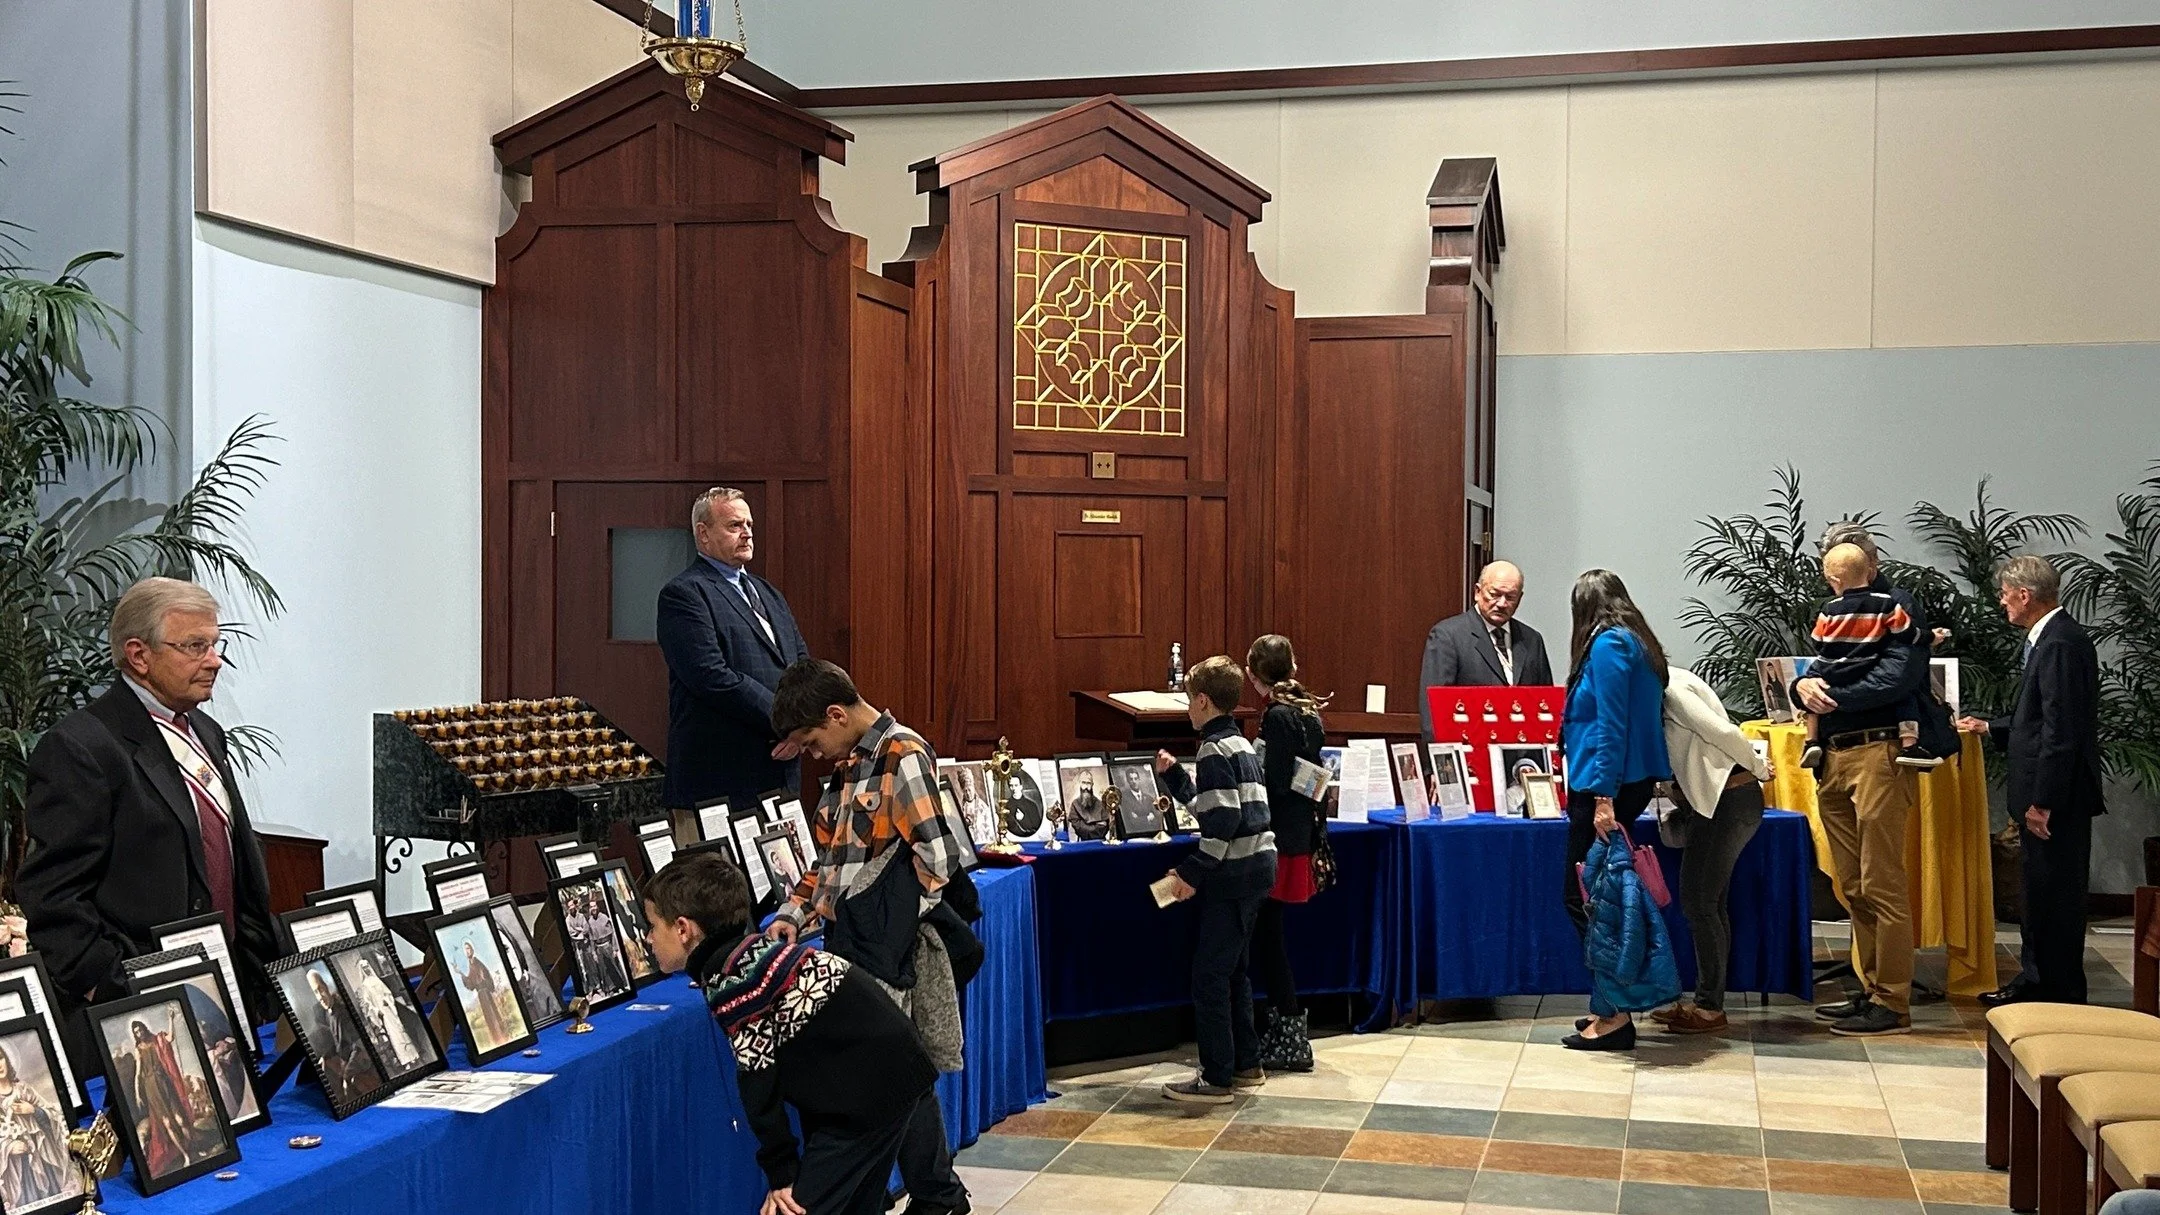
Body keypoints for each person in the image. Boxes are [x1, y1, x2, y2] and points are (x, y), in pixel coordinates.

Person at [18, 577, 280, 1069]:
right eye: (195, 646)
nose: (215, 660)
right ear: (139, 655)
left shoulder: (205, 731)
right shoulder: (82, 747)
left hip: (226, 1001)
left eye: (214, 644)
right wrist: (116, 988)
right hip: (140, 1017)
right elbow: (53, 899)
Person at [767, 659, 975, 1215]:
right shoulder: (847, 763)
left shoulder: (901, 754)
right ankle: (930, 1195)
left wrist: (891, 921)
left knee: (889, 1078)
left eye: (813, 741)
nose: (814, 755)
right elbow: (831, 860)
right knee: (895, 1076)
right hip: (846, 942)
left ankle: (935, 1196)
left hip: (884, 947)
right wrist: (796, 909)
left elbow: (939, 856)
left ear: (836, 714)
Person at [646, 853, 942, 1215]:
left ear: (682, 928)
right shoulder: (745, 956)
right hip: (888, 1075)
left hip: (870, 1093)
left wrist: (781, 1172)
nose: (648, 939)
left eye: (652, 926)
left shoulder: (733, 981)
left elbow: (758, 1080)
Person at [1793, 522, 1930, 1037]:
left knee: (1882, 882)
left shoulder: (1898, 604)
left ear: (1871, 564)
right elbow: (1812, 669)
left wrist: (1830, 696)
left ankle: (1893, 1001)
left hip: (1878, 750)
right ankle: (1869, 987)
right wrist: (1802, 687)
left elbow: (1900, 677)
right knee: (1852, 884)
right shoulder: (1835, 613)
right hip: (1833, 754)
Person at [1958, 555, 2103, 1006]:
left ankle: (2056, 992)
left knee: (2055, 898)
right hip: (2049, 795)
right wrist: (1989, 727)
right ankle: (2036, 980)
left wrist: (2044, 801)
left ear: (2024, 594)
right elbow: (2039, 719)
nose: (2002, 602)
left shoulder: (2058, 643)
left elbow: (2063, 730)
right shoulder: (2051, 638)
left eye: (2004, 594)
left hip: (2056, 799)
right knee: (2038, 894)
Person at [1151, 656, 1278, 1101]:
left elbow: (1220, 826)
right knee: (1234, 974)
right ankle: (1246, 1064)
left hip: (1235, 876)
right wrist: (1177, 779)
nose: (1188, 708)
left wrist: (1189, 875)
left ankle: (1217, 1077)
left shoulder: (1213, 748)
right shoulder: (1240, 744)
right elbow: (1218, 807)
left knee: (1208, 977)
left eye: (1189, 700)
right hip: (1258, 869)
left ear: (1203, 700)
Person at [1558, 570, 1673, 1051]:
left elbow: (1611, 726)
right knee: (1603, 901)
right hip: (1627, 783)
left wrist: (1603, 799)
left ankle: (1617, 1015)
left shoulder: (1608, 645)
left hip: (1606, 788)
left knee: (1586, 901)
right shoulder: (1638, 643)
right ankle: (1607, 1008)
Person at [657, 487, 812, 810]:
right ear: (703, 534)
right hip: (718, 781)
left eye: (749, 525)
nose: (747, 534)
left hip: (780, 775)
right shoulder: (684, 594)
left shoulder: (769, 594)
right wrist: (787, 720)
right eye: (734, 526)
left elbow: (801, 667)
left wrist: (802, 726)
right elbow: (711, 676)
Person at [1655, 664, 1772, 1035]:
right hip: (1727, 801)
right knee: (1710, 903)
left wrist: (1758, 765)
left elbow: (1723, 732)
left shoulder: (1671, 689)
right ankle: (1708, 999)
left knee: (1700, 903)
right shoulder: (1675, 680)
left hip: (1728, 800)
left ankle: (1709, 1007)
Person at [1244, 635, 1327, 1073]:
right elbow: (1314, 778)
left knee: (1270, 941)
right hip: (1300, 834)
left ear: (1251, 674)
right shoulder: (1308, 710)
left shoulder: (1277, 716)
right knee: (1271, 938)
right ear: (1293, 665)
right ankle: (1284, 1031)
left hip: (1278, 839)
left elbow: (1274, 780)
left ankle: (1291, 1038)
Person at [1795, 544, 1948, 773]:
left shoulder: (1829, 608)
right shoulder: (1886, 604)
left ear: (1834, 581)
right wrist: (1931, 637)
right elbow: (1907, 633)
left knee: (1813, 689)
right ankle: (1910, 745)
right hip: (1867, 662)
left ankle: (1811, 741)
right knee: (1906, 700)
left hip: (1833, 668)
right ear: (1868, 569)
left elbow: (1818, 640)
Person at [1419, 560, 1556, 738]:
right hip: (1471, 752)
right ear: (1477, 592)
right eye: (1494, 594)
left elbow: (1544, 704)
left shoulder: (1532, 640)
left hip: (1523, 759)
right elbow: (1434, 710)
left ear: (1520, 599)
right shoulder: (1448, 636)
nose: (1501, 603)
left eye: (1510, 597)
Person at [0, 1044, 73, 1209]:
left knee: (53, 1196)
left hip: (41, 1154)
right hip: (18, 1166)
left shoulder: (24, 1089)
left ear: (6, 1060)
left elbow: (53, 1115)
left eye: (0, 1058)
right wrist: (8, 1146)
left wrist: (33, 1110)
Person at [456, 941, 510, 1046]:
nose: (467, 951)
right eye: (465, 949)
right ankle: (497, 1039)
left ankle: (502, 1038)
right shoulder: (471, 964)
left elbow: (485, 975)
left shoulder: (477, 962)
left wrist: (488, 987)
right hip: (481, 995)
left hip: (485, 993)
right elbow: (471, 984)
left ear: (472, 949)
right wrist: (461, 973)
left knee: (493, 1015)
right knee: (489, 1018)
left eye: (468, 948)